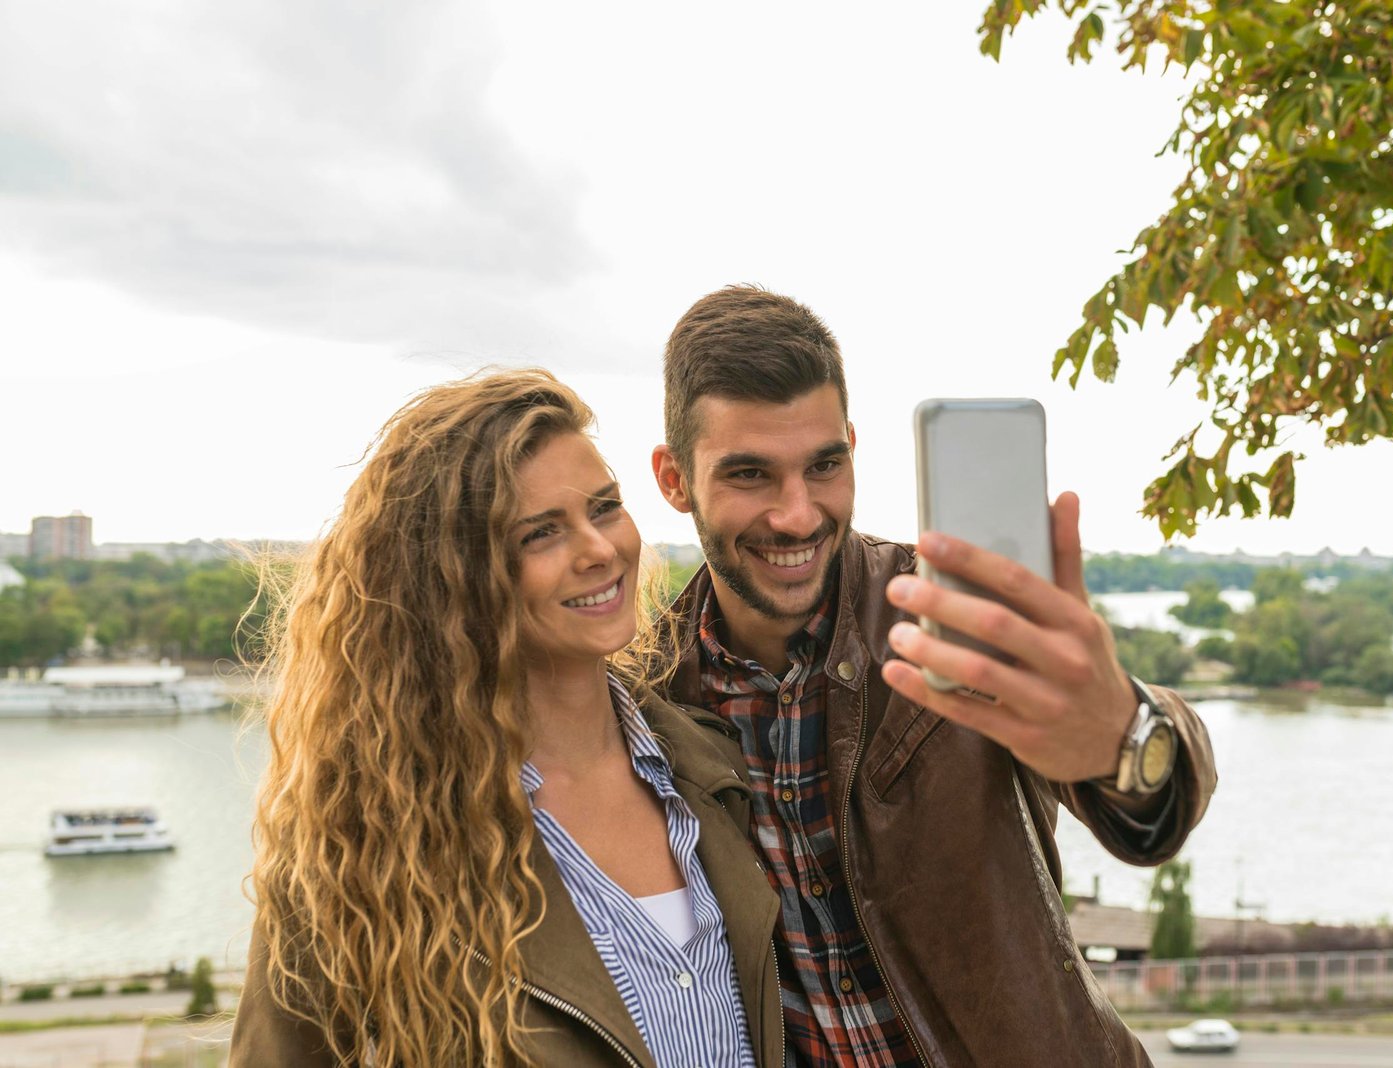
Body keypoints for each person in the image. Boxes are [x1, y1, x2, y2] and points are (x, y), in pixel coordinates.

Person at [650, 286, 1219, 1067]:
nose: (797, 514)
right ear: (674, 479)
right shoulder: (650, 695)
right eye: (750, 474)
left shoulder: (955, 617)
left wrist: (1126, 734)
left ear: (853, 446)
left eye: (824, 465)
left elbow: (1157, 810)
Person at [231, 370, 782, 1067]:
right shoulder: (360, 846)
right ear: (454, 577)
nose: (599, 550)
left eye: (605, 507)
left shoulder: (714, 769)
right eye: (541, 534)